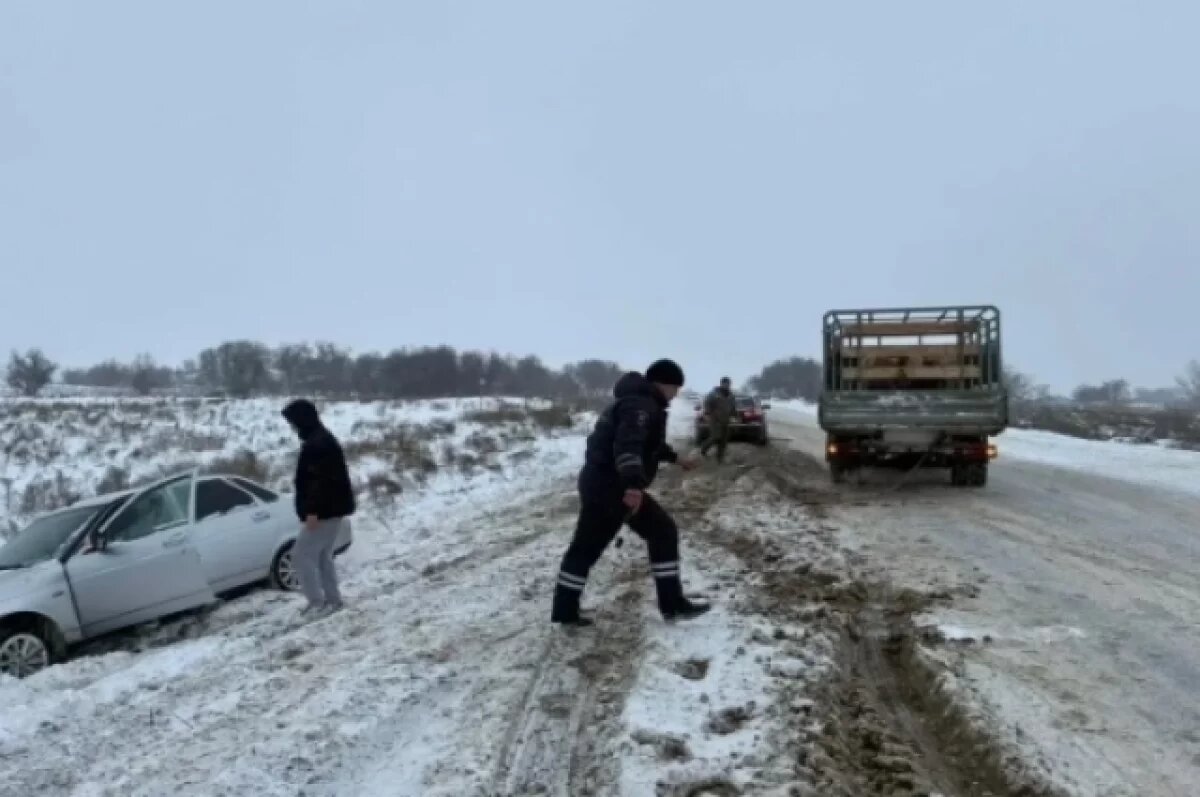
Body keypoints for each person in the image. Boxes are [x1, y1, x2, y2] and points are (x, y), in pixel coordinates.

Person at [551, 359, 711, 627]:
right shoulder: (641, 406)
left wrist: (675, 458)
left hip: (602, 484)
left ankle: (565, 610)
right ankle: (672, 605)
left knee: (590, 548)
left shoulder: (635, 401)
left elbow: (649, 445)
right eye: (675, 388)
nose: (675, 395)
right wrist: (634, 488)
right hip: (612, 487)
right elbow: (629, 447)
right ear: (664, 384)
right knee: (656, 533)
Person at [281, 398, 356, 617]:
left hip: (325, 511)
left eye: (293, 422)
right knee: (323, 555)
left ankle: (317, 602)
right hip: (331, 509)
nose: (292, 427)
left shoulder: (318, 444)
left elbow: (319, 482)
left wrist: (312, 511)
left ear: (303, 420)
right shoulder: (319, 439)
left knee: (301, 555)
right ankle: (333, 600)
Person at [699, 377, 736, 463]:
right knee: (715, 437)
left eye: (728, 384)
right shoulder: (714, 393)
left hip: (725, 419)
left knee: (723, 439)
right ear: (721, 384)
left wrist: (735, 415)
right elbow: (707, 402)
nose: (727, 386)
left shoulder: (731, 395)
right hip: (714, 419)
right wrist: (708, 413)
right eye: (725, 384)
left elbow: (733, 407)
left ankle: (720, 458)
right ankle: (704, 448)